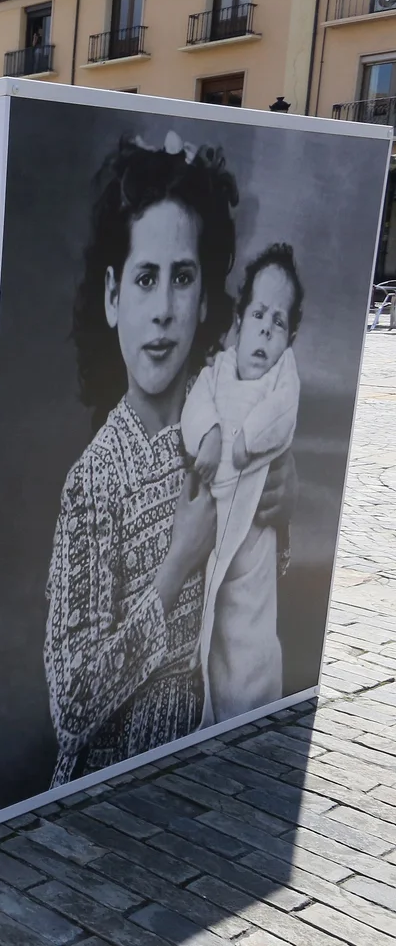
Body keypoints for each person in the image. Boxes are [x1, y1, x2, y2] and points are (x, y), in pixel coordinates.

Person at [44, 132, 294, 787]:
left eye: (181, 278)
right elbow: (71, 704)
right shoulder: (94, 481)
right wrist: (175, 566)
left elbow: (255, 599)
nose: (161, 310)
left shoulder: (233, 435)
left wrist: (277, 511)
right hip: (112, 798)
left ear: (207, 298)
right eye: (144, 278)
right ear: (112, 295)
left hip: (210, 771)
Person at [181, 243, 302, 726]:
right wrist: (209, 433)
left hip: (252, 535)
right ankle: (215, 707)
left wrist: (250, 439)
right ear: (238, 321)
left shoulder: (281, 377)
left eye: (278, 323)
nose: (266, 330)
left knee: (248, 629)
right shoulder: (219, 371)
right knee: (215, 623)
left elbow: (283, 414)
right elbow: (197, 405)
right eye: (258, 315)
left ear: (288, 339)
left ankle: (248, 703)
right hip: (214, 519)